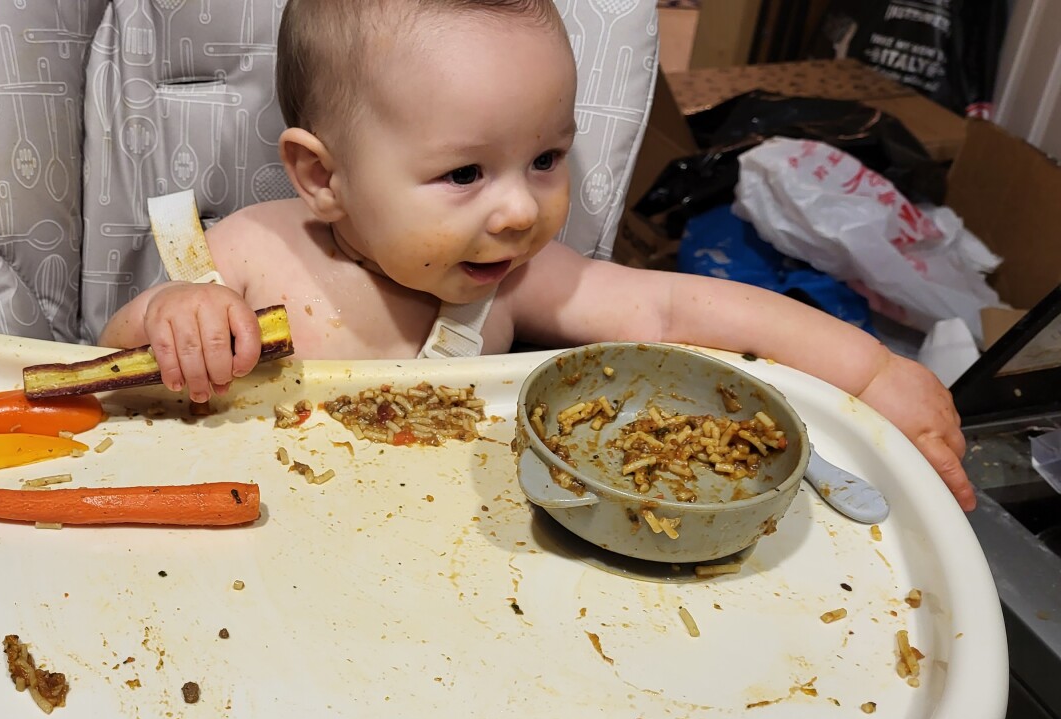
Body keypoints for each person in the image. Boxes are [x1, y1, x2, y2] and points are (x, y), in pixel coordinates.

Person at [99, 0, 973, 510]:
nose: (520, 208)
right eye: (465, 172)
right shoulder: (252, 252)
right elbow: (107, 367)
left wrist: (870, 373)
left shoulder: (510, 282)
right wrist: (174, 321)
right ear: (323, 176)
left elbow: (674, 310)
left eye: (547, 159)